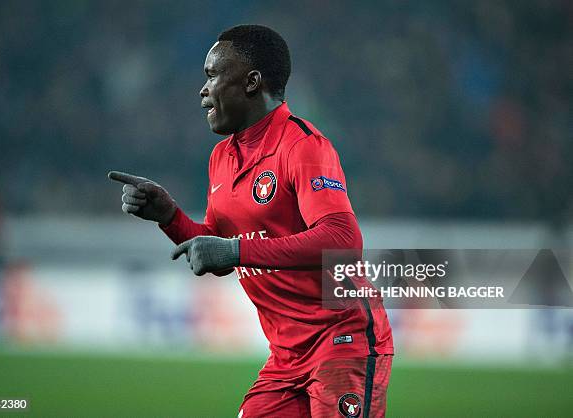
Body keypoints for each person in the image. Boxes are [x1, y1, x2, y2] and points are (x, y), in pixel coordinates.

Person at [109, 24, 393, 418]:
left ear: (251, 82)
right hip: (285, 357)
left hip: (341, 340)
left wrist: (236, 250)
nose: (202, 90)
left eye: (212, 75)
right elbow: (217, 251)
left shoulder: (303, 146)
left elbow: (343, 241)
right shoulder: (220, 157)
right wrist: (169, 217)